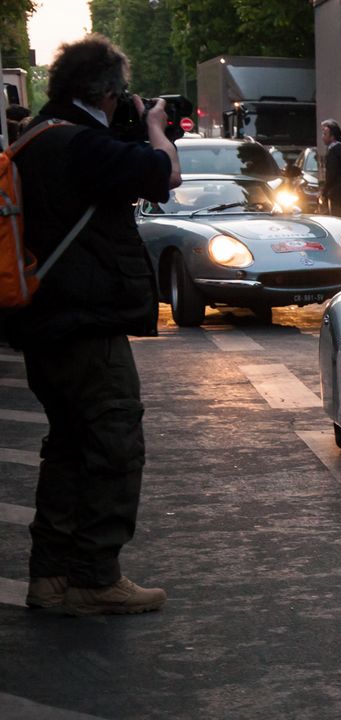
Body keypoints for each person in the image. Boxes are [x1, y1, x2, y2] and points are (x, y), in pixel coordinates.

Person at [8, 34, 180, 615]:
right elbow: (164, 173)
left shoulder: (35, 138)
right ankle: (95, 575)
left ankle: (50, 576)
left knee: (68, 447)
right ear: (106, 92)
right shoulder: (79, 145)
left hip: (41, 320)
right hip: (84, 325)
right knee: (113, 443)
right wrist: (155, 124)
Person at [321, 119, 341, 219]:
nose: (323, 137)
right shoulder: (340, 148)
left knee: (339, 218)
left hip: (338, 193)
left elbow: (332, 173)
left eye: (325, 134)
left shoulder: (335, 151)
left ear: (332, 136)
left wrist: (325, 190)